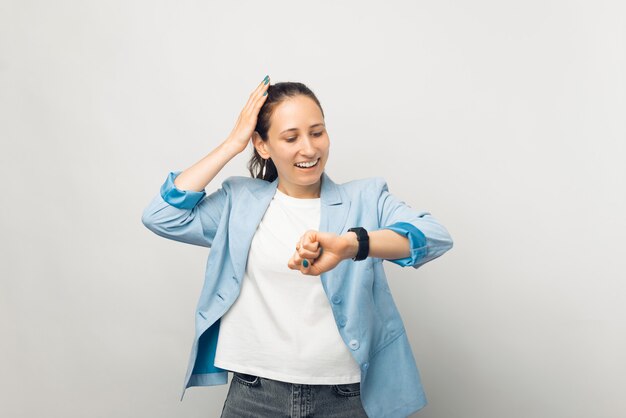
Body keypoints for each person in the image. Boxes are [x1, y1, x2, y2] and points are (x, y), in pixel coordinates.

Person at [141, 75, 454, 418]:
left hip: (345, 397)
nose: (309, 148)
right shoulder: (239, 201)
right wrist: (233, 143)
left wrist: (353, 244)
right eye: (291, 137)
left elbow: (435, 237)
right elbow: (162, 216)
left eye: (317, 132)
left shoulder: (365, 198)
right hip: (254, 395)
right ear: (262, 145)